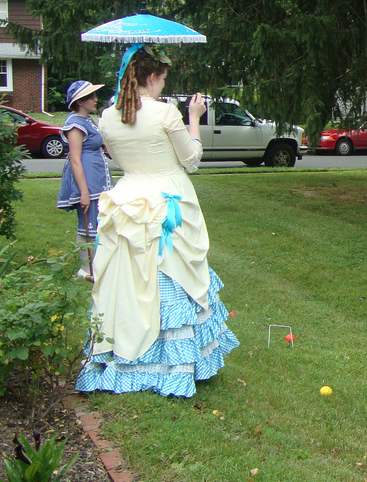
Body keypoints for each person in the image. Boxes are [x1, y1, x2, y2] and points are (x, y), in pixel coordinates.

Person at [75, 45, 238, 397]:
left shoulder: (106, 116)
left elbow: (120, 159)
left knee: (129, 277)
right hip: (166, 198)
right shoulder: (166, 114)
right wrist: (195, 117)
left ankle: (121, 354)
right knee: (168, 271)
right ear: (152, 77)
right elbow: (191, 159)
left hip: (127, 197)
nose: (163, 87)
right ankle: (171, 365)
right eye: (162, 79)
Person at [56, 80, 112, 279]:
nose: (95, 100)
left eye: (95, 96)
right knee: (87, 224)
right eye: (90, 97)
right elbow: (75, 159)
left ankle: (98, 265)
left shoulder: (87, 120)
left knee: (99, 222)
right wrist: (84, 192)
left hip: (98, 179)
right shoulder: (74, 124)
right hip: (87, 181)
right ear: (79, 101)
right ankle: (87, 270)